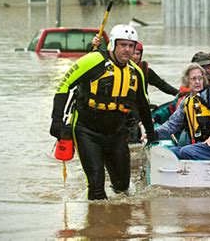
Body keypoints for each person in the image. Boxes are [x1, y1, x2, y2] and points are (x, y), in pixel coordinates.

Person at [49, 24, 157, 200]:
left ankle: (118, 223)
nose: (127, 50)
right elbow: (64, 85)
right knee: (96, 184)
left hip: (116, 132)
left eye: (131, 46)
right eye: (123, 45)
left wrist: (151, 134)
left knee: (122, 187)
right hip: (87, 130)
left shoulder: (135, 72)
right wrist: (56, 121)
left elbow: (143, 105)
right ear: (113, 44)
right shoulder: (92, 60)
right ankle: (96, 224)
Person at [155, 63, 210, 160]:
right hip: (201, 145)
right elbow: (172, 124)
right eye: (193, 79)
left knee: (185, 151)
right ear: (187, 82)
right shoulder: (186, 101)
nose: (197, 82)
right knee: (170, 152)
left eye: (200, 78)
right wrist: (153, 134)